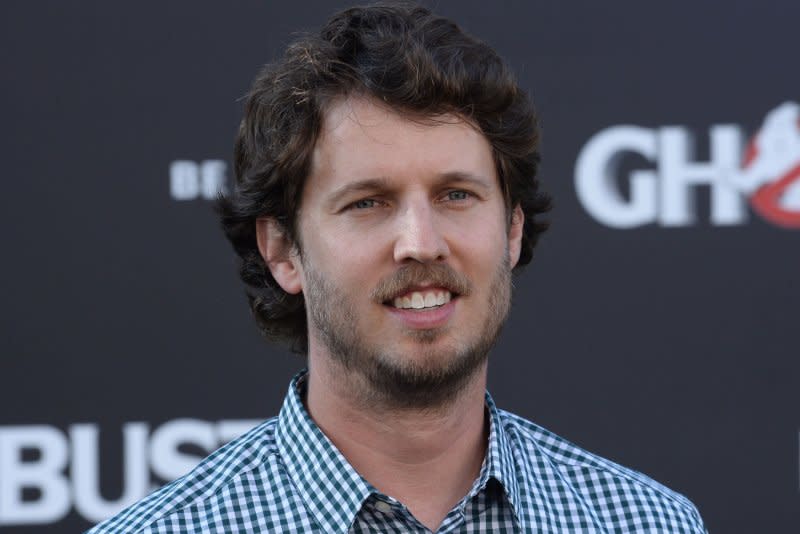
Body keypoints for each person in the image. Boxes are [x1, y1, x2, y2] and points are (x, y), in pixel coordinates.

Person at [90, 2, 707, 532]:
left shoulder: (647, 520)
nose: (421, 242)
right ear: (282, 251)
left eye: (456, 195)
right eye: (368, 203)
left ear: (512, 229)